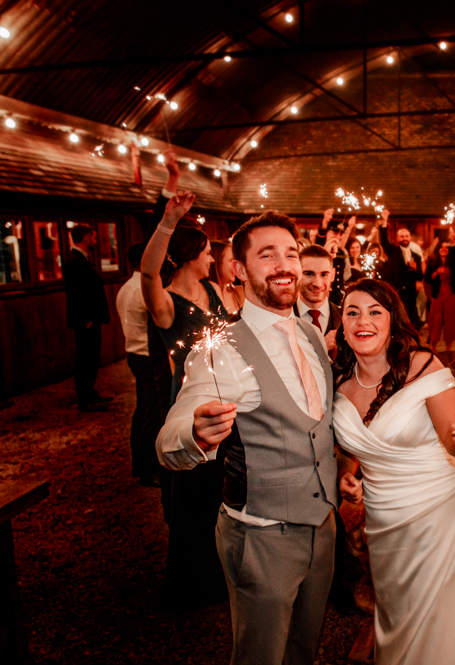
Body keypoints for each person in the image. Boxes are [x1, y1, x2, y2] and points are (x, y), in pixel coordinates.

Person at [156, 211, 339, 665]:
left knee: (304, 649)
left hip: (324, 529)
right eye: (267, 254)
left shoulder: (314, 337)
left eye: (291, 253)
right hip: (262, 537)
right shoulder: (222, 348)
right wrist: (195, 433)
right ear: (238, 269)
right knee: (260, 654)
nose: (284, 265)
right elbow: (167, 441)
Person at [331, 279, 455, 664]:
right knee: (400, 617)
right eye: (352, 312)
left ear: (392, 321)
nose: (362, 320)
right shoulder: (336, 380)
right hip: (383, 524)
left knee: (448, 624)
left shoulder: (423, 364)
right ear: (342, 326)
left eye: (374, 311)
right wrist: (347, 472)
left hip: (439, 515)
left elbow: (453, 442)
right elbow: (351, 449)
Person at [141, 191, 230, 609]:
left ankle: (219, 574)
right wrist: (168, 221)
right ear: (192, 254)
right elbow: (147, 272)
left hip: (221, 395)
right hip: (183, 401)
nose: (213, 259)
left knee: (217, 491)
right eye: (209, 252)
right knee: (190, 493)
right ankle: (189, 585)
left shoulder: (214, 291)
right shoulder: (165, 306)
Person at [116, 242, 161, 486]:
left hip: (133, 352)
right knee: (151, 414)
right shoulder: (143, 289)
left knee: (142, 410)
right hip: (145, 356)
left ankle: (139, 463)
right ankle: (148, 469)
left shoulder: (126, 287)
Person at [65, 223, 112, 411]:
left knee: (92, 357)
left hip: (91, 319)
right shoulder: (75, 261)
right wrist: (87, 319)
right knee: (85, 358)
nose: (95, 241)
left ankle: (90, 392)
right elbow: (77, 293)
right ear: (85, 238)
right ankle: (84, 398)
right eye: (92, 237)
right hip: (86, 321)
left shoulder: (82, 259)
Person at [377, 209, 422, 327]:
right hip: (396, 291)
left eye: (407, 236)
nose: (405, 238)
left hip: (411, 293)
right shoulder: (392, 251)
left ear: (410, 238)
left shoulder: (416, 256)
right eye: (402, 236)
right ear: (397, 238)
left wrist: (416, 268)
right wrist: (385, 220)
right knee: (395, 318)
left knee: (409, 319)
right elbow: (383, 240)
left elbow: (420, 276)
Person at [294, 244, 341, 355]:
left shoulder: (344, 317)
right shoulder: (280, 318)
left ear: (332, 275)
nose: (317, 284)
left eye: (324, 274)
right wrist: (321, 346)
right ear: (297, 274)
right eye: (309, 274)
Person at [424, 240, 455, 351]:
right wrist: (436, 273)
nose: (444, 249)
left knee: (450, 322)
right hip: (437, 295)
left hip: (450, 295)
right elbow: (427, 279)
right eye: (441, 247)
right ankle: (433, 349)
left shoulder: (453, 262)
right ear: (438, 249)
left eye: (446, 247)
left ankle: (448, 350)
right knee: (435, 321)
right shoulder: (432, 262)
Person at [212, 240, 245, 314]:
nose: (236, 266)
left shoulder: (240, 293)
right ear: (217, 263)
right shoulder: (205, 297)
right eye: (231, 261)